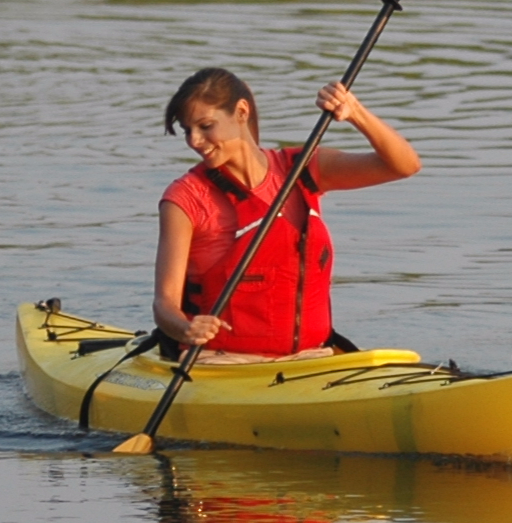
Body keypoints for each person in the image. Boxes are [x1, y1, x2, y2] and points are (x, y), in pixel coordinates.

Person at [154, 67, 420, 358]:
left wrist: (355, 112)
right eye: (187, 130)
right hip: (222, 363)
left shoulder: (304, 169)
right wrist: (185, 328)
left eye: (205, 126)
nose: (194, 141)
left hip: (311, 358)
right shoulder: (185, 198)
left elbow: (403, 165)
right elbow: (164, 305)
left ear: (241, 112)